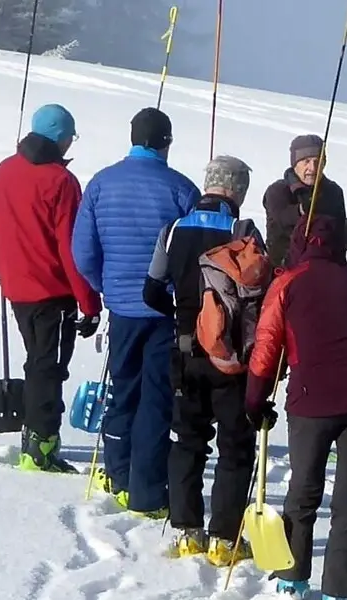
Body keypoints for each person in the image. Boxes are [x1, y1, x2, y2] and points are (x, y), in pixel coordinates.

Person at [246, 214, 347, 599]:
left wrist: (255, 399)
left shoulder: (287, 282)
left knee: (304, 491)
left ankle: (292, 578)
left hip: (312, 398)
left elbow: (266, 347)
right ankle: (338, 590)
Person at [74, 107, 199, 519]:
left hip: (122, 309)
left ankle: (117, 473)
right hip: (164, 310)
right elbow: (193, 253)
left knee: (122, 391)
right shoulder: (180, 189)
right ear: (165, 142)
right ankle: (147, 491)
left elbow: (83, 252)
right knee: (156, 400)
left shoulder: (100, 184)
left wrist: (105, 287)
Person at [138, 156, 263, 566]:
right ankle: (224, 539)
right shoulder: (242, 231)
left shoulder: (172, 230)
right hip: (231, 360)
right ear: (237, 191)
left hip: (185, 353)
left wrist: (181, 315)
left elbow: (152, 290)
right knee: (234, 446)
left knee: (187, 441)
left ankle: (186, 531)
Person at [0, 103, 102, 473]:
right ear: (60, 137)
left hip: (17, 286)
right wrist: (89, 300)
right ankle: (41, 446)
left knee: (39, 361)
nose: (71, 143)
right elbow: (72, 247)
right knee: (47, 367)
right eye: (70, 136)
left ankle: (35, 438)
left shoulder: (3, 171)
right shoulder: (60, 182)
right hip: (52, 291)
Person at [262, 134, 347, 267]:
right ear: (295, 164)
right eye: (306, 161)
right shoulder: (278, 191)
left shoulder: (333, 192)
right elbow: (280, 220)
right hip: (284, 270)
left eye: (318, 161)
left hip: (326, 269)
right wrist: (302, 210)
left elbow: (340, 242)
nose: (313, 168)